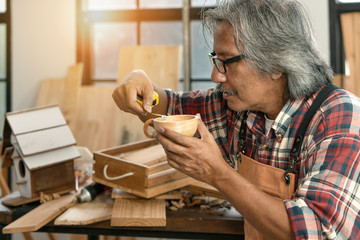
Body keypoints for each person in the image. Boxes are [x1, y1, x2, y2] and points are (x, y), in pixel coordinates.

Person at [112, 0, 360, 239]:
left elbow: (320, 231)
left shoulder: (340, 119)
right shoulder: (240, 109)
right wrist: (142, 89)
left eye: (226, 62)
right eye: (215, 60)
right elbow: (172, 105)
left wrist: (217, 172)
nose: (215, 76)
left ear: (275, 64)